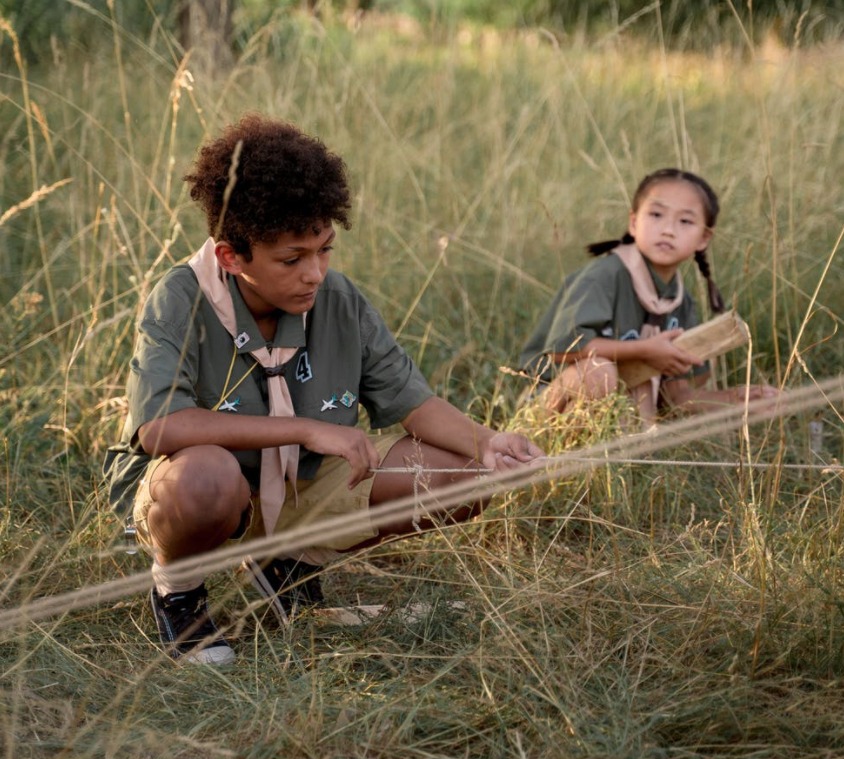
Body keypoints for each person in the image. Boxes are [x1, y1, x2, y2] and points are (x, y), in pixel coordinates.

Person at [104, 114, 544, 665]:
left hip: (299, 487)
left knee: (467, 476)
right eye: (292, 259)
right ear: (230, 257)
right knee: (207, 478)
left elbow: (413, 401)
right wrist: (305, 427)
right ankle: (179, 589)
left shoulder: (337, 299)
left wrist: (487, 442)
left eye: (325, 250)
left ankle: (289, 565)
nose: (315, 273)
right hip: (200, 494)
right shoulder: (180, 298)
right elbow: (161, 426)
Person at [519, 168, 778, 424]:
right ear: (633, 222)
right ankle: (569, 461)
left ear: (704, 238)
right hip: (544, 409)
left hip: (614, 414)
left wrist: (735, 400)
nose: (668, 230)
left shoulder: (680, 301)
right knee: (598, 372)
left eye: (685, 221)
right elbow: (562, 350)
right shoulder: (604, 276)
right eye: (656, 215)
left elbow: (676, 398)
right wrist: (644, 351)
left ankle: (620, 453)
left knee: (612, 380)